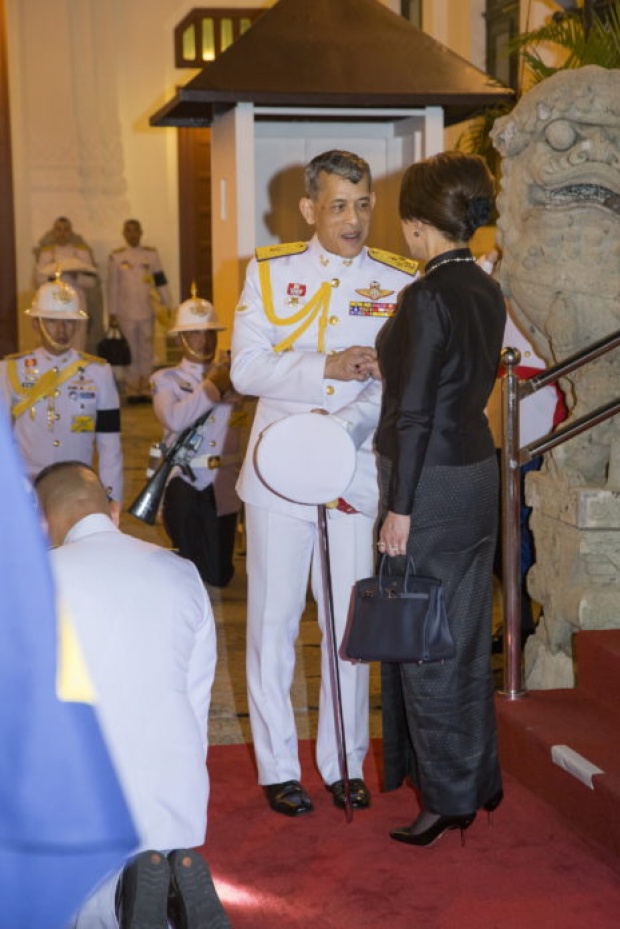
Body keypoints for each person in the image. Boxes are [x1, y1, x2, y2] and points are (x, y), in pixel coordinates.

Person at [230, 149, 419, 816]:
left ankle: (344, 762)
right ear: (310, 209)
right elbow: (246, 369)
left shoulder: (398, 281)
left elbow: (395, 383)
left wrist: (344, 428)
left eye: (364, 204)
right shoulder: (271, 272)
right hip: (278, 473)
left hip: (349, 468)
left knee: (347, 622)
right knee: (274, 623)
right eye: (339, 204)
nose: (354, 218)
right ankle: (279, 766)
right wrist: (327, 366)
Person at [374, 151, 506, 847]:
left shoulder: (425, 295)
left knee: (425, 640)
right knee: (458, 635)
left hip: (430, 481)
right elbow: (457, 383)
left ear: (418, 224)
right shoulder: (484, 288)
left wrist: (400, 506)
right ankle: (475, 782)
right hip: (476, 468)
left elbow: (416, 413)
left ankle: (446, 796)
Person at [34, 461, 229, 929]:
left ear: (41, 522)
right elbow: (195, 704)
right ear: (115, 511)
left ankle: (119, 903)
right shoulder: (182, 572)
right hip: (172, 801)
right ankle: (151, 897)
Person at [0, 276, 123, 517]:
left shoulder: (99, 373)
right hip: (27, 487)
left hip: (78, 488)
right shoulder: (10, 370)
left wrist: (110, 497)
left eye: (68, 322)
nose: (61, 330)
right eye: (52, 321)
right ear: (36, 324)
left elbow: (110, 445)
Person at [150, 287, 245, 589]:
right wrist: (212, 386)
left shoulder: (237, 377)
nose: (203, 341)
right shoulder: (166, 380)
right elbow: (174, 418)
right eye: (193, 334)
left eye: (209, 333)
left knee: (219, 574)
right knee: (191, 569)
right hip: (186, 480)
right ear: (180, 339)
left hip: (224, 484)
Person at [107, 219, 171, 403]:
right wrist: (112, 312)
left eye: (135, 230)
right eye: (128, 231)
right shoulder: (117, 256)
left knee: (146, 349)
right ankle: (132, 387)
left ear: (141, 232)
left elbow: (160, 280)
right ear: (124, 234)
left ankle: (145, 386)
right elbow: (112, 286)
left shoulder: (151, 255)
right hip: (125, 311)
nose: (132, 234)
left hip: (147, 309)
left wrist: (168, 304)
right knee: (131, 350)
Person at [34, 216, 102, 352]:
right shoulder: (47, 252)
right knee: (54, 341)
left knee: (78, 340)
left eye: (66, 230)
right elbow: (38, 279)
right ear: (54, 232)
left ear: (71, 232)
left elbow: (92, 281)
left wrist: (76, 277)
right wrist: (54, 277)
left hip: (77, 302)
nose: (62, 234)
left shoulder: (81, 252)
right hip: (53, 304)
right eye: (59, 230)